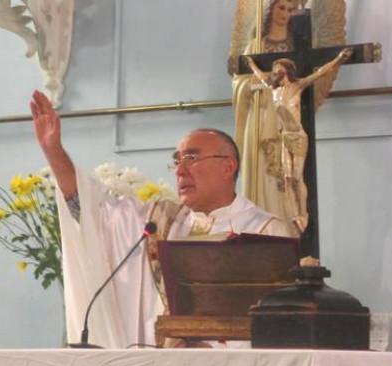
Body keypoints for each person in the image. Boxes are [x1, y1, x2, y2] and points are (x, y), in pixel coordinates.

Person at [30, 90, 291, 348]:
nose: (180, 170)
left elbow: (278, 324)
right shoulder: (158, 222)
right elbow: (91, 211)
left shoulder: (265, 232)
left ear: (228, 167)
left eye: (191, 158)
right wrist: (54, 151)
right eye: (176, 161)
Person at [245, 48, 352, 231]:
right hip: (285, 136)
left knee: (296, 176)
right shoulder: (273, 89)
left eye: (277, 69)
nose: (274, 73)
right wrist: (250, 63)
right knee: (286, 177)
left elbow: (320, 73)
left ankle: (304, 213)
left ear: (285, 71)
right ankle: (296, 216)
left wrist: (338, 59)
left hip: (298, 137)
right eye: (274, 70)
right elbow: (261, 76)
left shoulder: (297, 86)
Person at [232, 0, 299, 236]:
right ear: (270, 10)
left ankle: (288, 235)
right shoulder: (255, 45)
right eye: (281, 8)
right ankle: (258, 234)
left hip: (285, 118)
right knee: (259, 174)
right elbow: (240, 82)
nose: (285, 14)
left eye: (291, 10)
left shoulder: (296, 46)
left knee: (286, 179)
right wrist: (255, 85)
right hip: (259, 118)